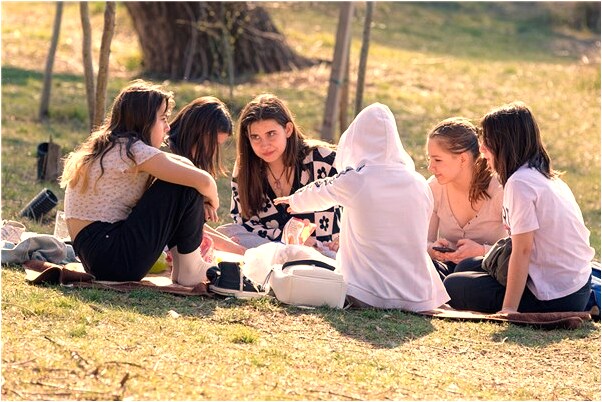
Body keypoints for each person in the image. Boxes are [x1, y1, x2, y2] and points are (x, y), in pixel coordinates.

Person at [274, 103, 449, 311]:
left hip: (366, 294)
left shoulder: (358, 179)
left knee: (294, 259)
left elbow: (322, 191)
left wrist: (294, 201)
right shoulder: (418, 182)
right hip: (417, 295)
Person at [60, 80, 219, 286]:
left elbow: (184, 164)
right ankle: (190, 267)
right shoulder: (133, 150)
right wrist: (211, 200)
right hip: (114, 255)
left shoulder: (113, 145)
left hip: (98, 256)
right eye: (162, 119)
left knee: (184, 178)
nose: (168, 127)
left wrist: (199, 193)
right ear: (142, 121)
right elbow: (203, 180)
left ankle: (185, 267)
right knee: (183, 184)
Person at [444, 101, 594, 313]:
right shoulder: (540, 175)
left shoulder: (520, 184)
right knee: (465, 267)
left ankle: (516, 303)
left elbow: (523, 250)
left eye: (487, 141)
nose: (482, 149)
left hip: (554, 295)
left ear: (503, 143)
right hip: (576, 287)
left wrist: (509, 309)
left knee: (453, 285)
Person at [216, 93, 341, 252]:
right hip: (273, 249)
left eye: (271, 134)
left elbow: (361, 199)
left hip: (322, 252)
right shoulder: (245, 169)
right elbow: (244, 223)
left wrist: (344, 238)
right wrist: (287, 237)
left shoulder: (322, 159)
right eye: (255, 137)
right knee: (227, 232)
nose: (264, 145)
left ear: (288, 130)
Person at [426, 117, 506, 280]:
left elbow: (518, 250)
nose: (430, 167)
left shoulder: (500, 190)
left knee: (460, 276)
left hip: (488, 272)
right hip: (446, 270)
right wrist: (432, 249)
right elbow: (424, 242)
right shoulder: (433, 188)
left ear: (463, 159)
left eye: (437, 160)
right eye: (429, 159)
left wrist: (481, 251)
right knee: (422, 269)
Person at [167, 96, 246, 255]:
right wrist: (240, 251)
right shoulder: (168, 158)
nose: (211, 152)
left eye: (217, 146)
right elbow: (182, 226)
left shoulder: (185, 156)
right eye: (211, 144)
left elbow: (190, 223)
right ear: (195, 131)